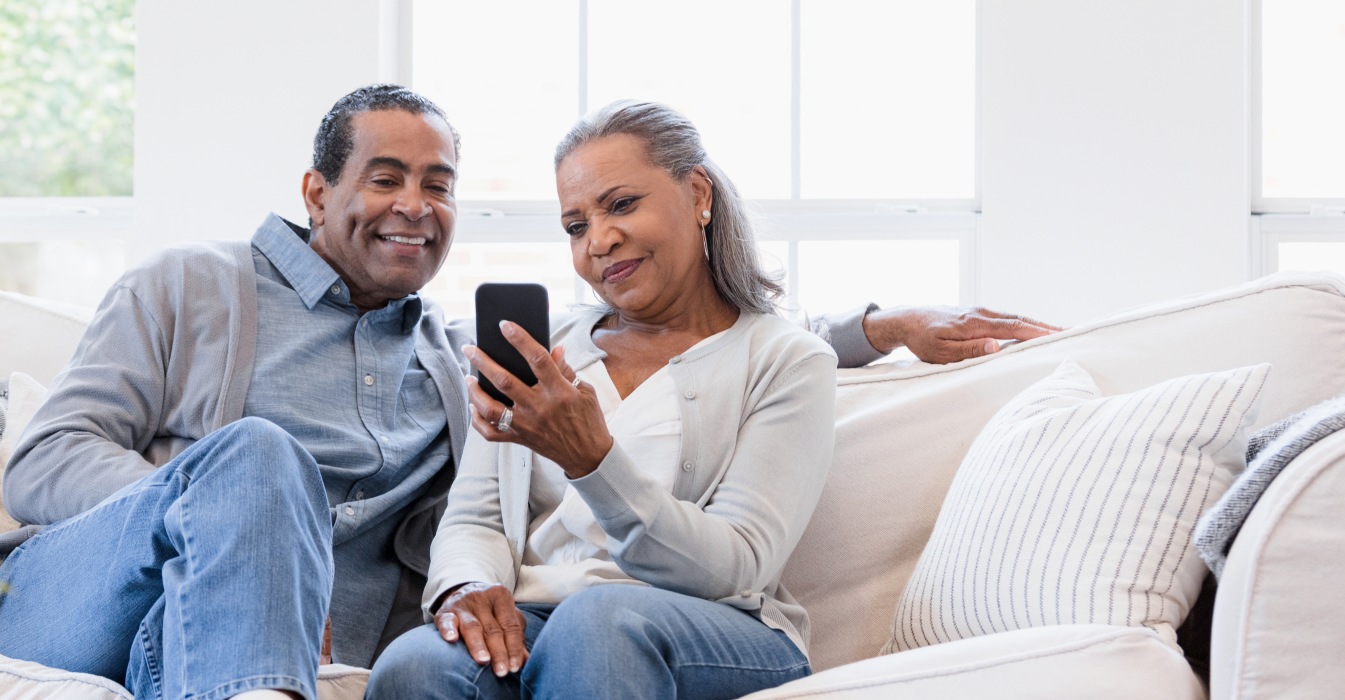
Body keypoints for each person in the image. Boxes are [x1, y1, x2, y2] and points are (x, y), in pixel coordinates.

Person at [0, 85, 1055, 700]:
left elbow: (709, 355)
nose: (415, 205)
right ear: (317, 190)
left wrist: (879, 329)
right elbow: (46, 462)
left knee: (453, 658)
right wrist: (244, 549)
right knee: (260, 457)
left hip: (262, 671)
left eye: (438, 184)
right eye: (384, 177)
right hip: (99, 600)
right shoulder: (191, 287)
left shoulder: (459, 356)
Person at [364, 100, 1030, 699]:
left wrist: (595, 460)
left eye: (621, 205)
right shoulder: (544, 351)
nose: (598, 241)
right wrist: (467, 586)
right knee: (416, 665)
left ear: (698, 194)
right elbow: (476, 515)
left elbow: (736, 565)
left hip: (716, 628)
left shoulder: (784, 359)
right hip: (547, 616)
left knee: (599, 625)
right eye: (575, 224)